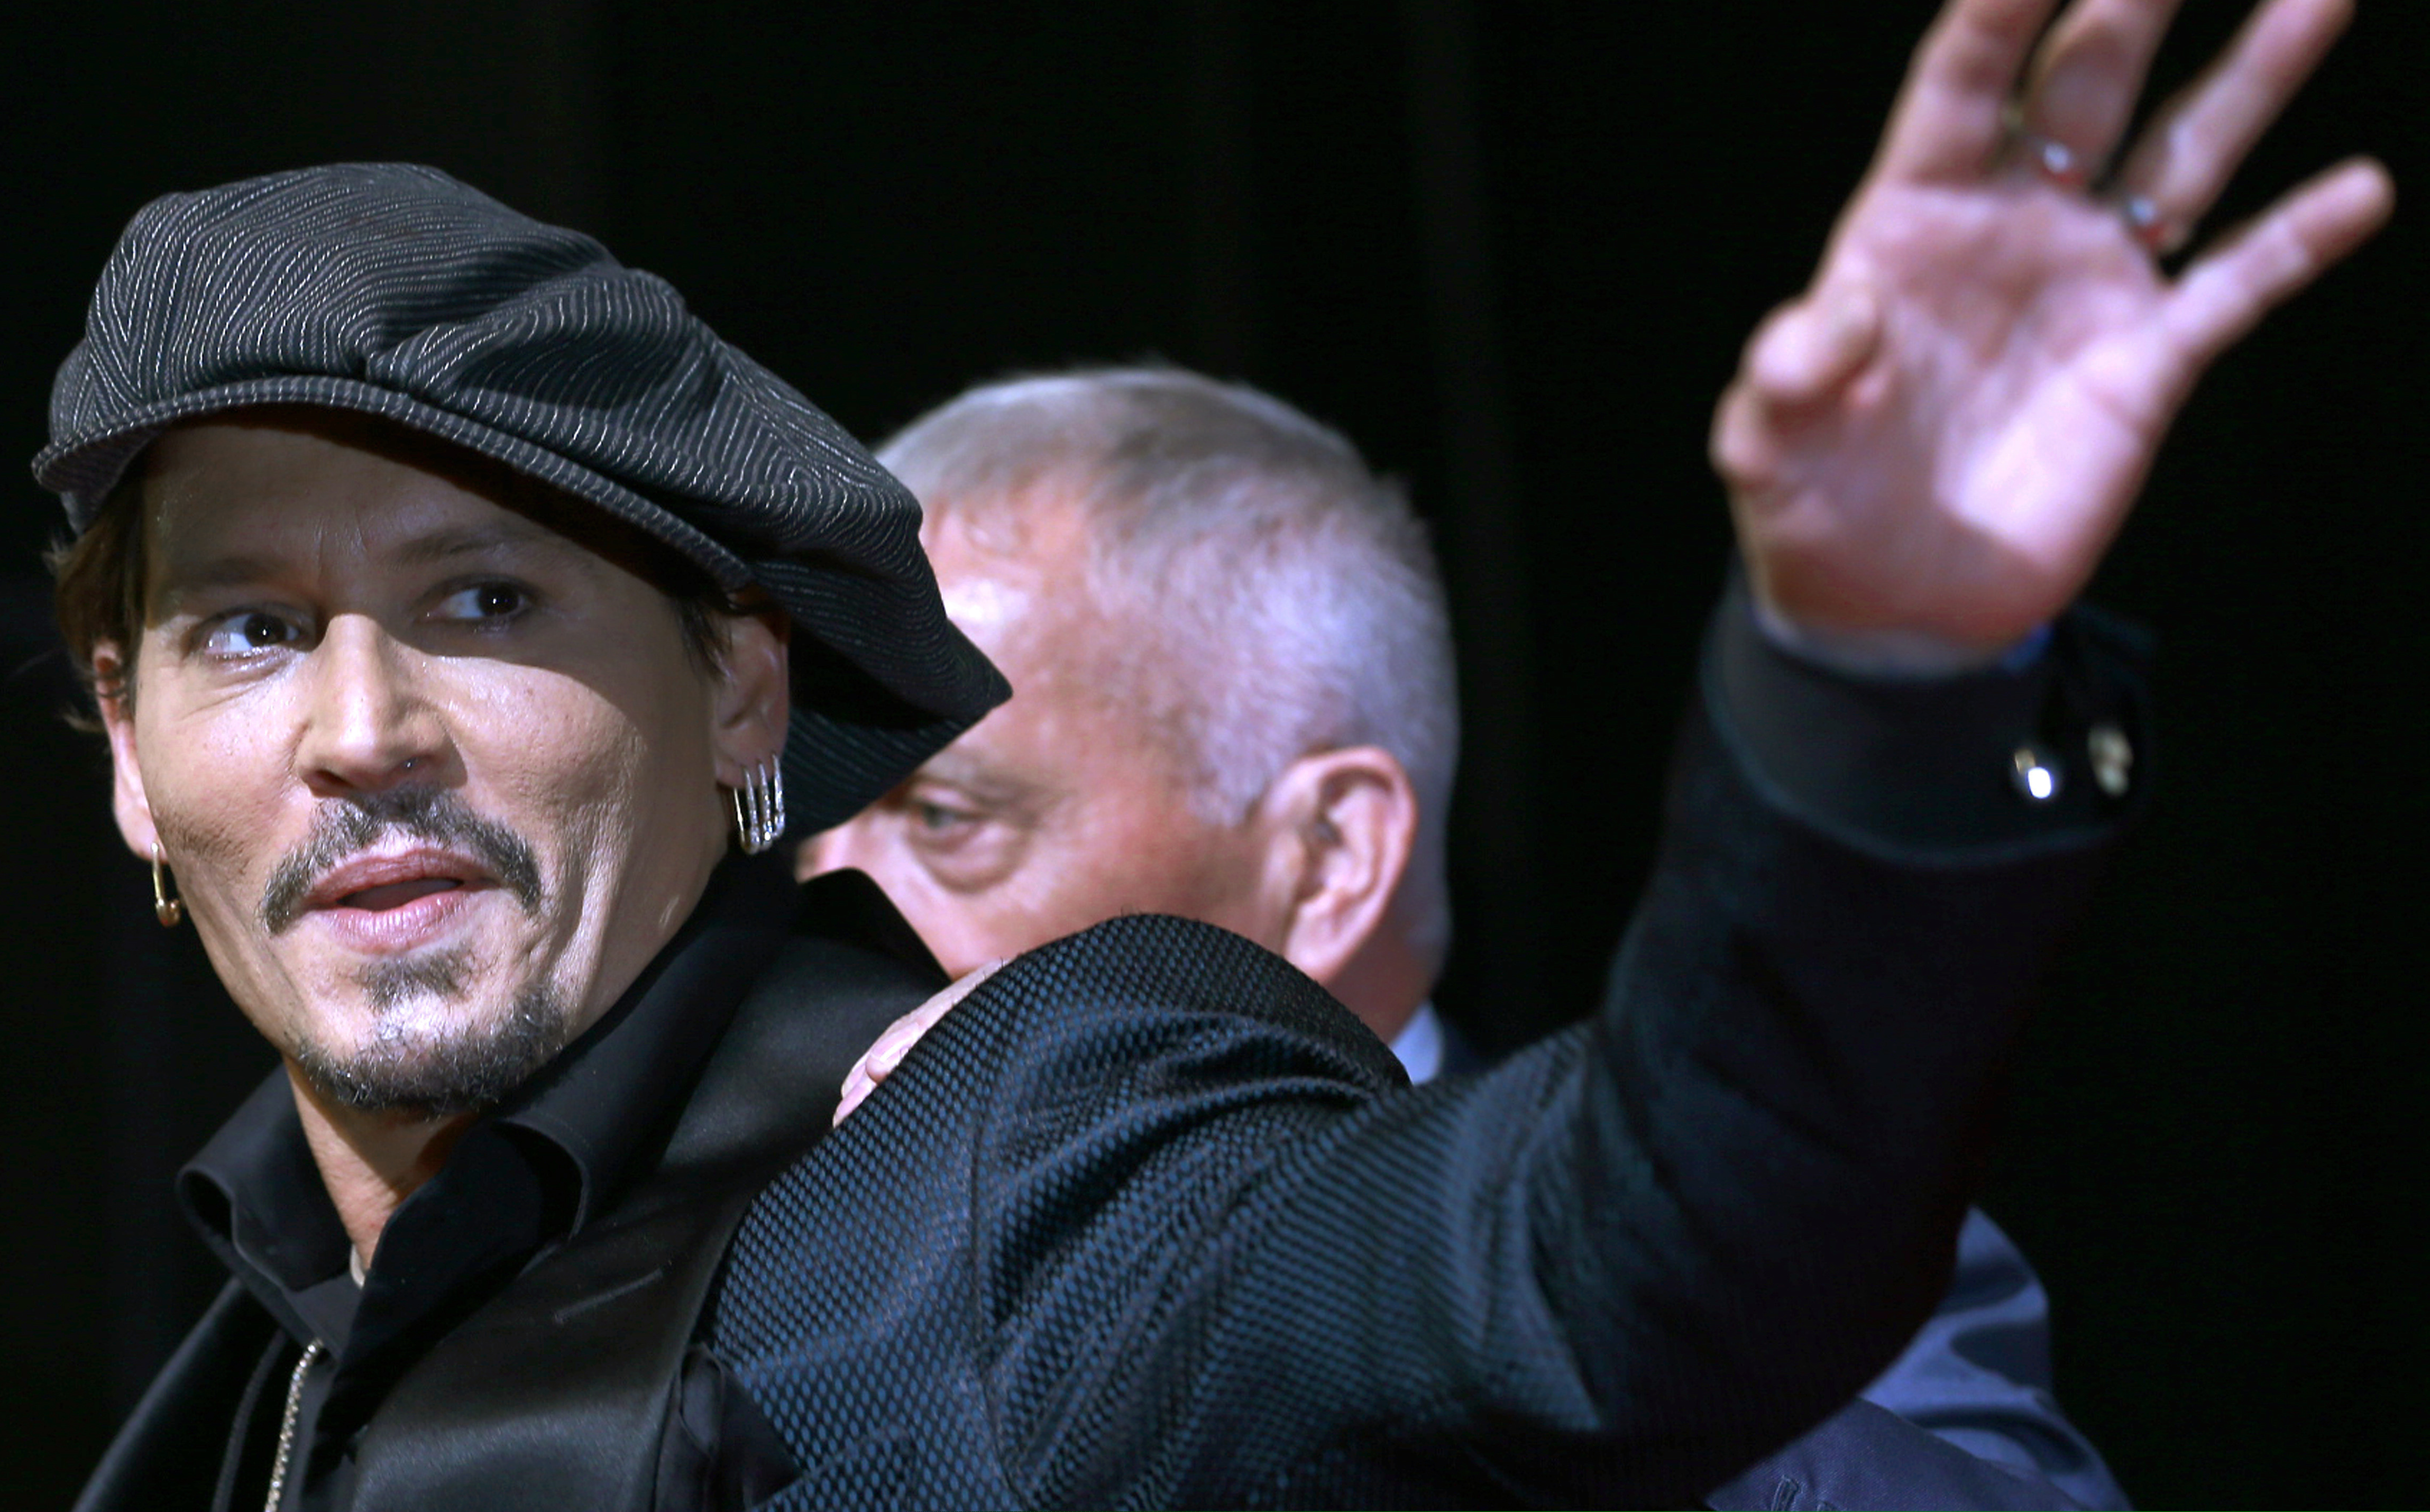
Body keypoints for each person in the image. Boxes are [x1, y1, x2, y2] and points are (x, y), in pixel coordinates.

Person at [57, 0, 2385, 1510]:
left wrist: (1871, 676)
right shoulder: (244, 1374)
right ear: (133, 750)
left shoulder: (1004, 1154)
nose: (361, 724)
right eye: (246, 627)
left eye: (484, 599)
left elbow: (1610, 1264)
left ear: (745, 691)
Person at [806, 362, 2126, 1508]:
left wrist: (1569, 1361)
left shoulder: (1786, 1247)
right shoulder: (769, 1233)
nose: (833, 886)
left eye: (948, 817)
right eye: (808, 814)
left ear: (1326, 859)